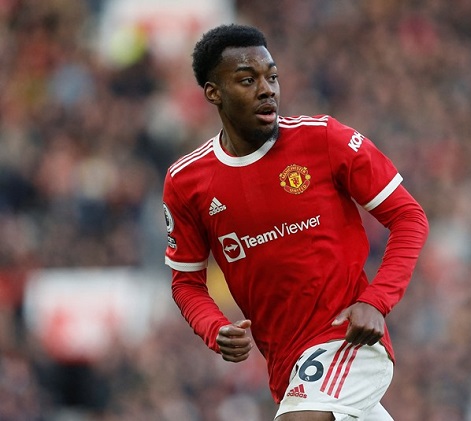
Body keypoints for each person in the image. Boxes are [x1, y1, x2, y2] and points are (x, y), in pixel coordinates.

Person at [162, 24, 429, 421]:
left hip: (346, 339)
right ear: (214, 93)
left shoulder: (323, 139)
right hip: (287, 364)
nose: (266, 89)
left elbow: (409, 217)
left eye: (272, 77)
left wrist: (376, 301)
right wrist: (213, 327)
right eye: (247, 80)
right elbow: (186, 282)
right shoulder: (187, 182)